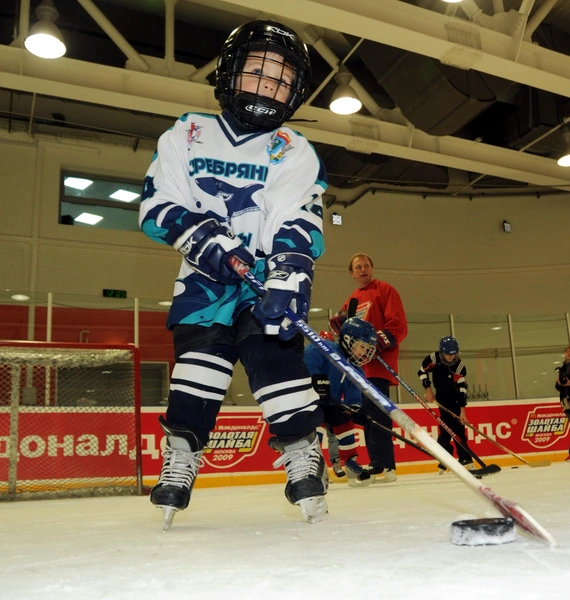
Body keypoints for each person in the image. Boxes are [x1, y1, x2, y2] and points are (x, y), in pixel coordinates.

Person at [139, 20, 330, 527]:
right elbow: (158, 204)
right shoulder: (187, 133)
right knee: (198, 368)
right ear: (230, 73)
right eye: (257, 73)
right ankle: (182, 453)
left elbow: (297, 216)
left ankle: (302, 451)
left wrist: (290, 274)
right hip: (203, 280)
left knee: (275, 360)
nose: (268, 86)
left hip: (262, 280)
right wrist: (205, 239)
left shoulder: (293, 148)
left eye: (280, 80)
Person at [332, 253, 408, 483]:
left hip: (377, 364)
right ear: (352, 273)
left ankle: (386, 464)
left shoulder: (385, 290)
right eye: (358, 267)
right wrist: (339, 328)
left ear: (371, 268)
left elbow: (397, 325)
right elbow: (345, 331)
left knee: (379, 413)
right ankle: (376, 462)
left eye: (366, 265)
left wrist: (378, 343)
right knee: (366, 414)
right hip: (359, 369)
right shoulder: (352, 300)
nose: (363, 269)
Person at [304, 320, 378, 486]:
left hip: (332, 402)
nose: (365, 352)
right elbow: (309, 357)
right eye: (362, 346)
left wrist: (355, 409)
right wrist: (316, 378)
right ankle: (312, 464)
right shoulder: (326, 347)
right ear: (347, 340)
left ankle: (350, 463)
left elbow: (353, 392)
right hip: (312, 400)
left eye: (367, 349)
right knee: (316, 427)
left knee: (345, 421)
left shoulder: (356, 369)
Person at [418, 336, 473, 473]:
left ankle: (458, 458)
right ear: (442, 352)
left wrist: (462, 411)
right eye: (448, 355)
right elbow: (422, 372)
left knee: (455, 429)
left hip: (455, 398)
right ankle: (451, 458)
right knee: (446, 428)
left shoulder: (459, 366)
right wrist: (428, 389)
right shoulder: (433, 358)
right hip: (441, 397)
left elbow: (462, 388)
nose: (450, 358)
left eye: (453, 354)